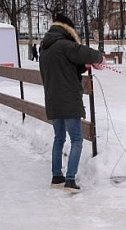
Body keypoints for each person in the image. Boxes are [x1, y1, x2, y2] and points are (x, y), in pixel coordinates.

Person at [39, 12, 104, 191]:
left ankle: (57, 176)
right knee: (76, 139)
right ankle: (70, 179)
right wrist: (99, 58)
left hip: (53, 100)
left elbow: (66, 67)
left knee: (59, 138)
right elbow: (85, 53)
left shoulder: (45, 48)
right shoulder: (64, 45)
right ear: (67, 29)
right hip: (68, 100)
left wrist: (83, 66)